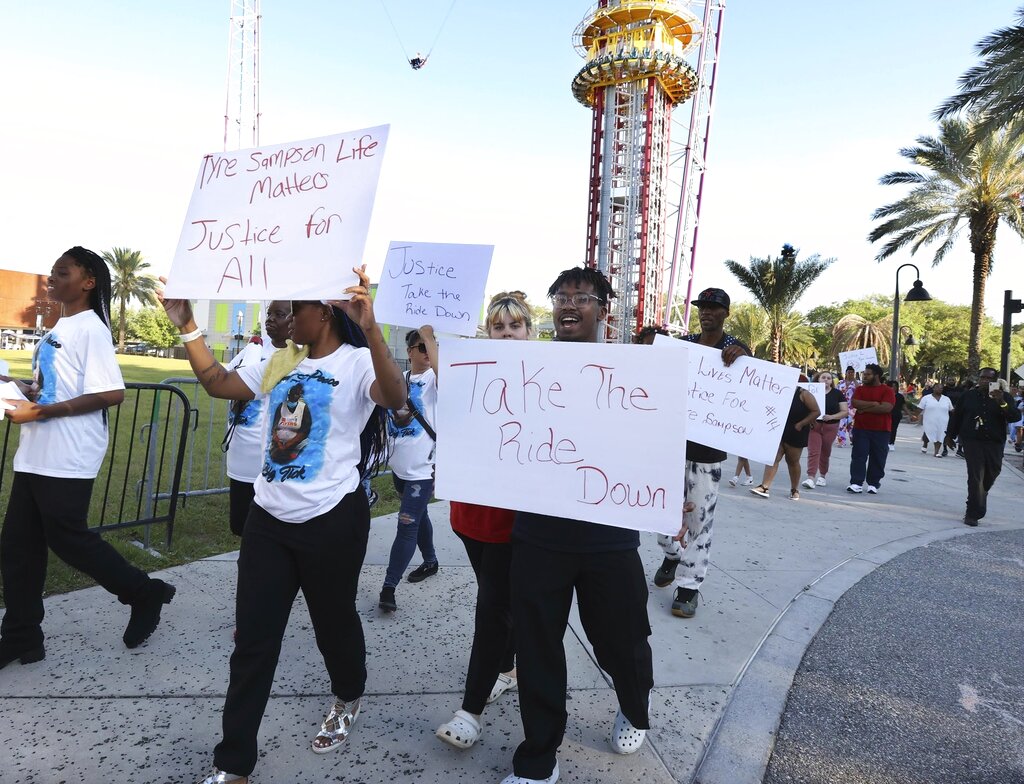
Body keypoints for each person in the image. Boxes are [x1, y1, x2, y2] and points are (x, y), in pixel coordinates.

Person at [160, 269, 407, 784]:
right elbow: (217, 384)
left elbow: (393, 395)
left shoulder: (358, 361)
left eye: (295, 308)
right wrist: (186, 324)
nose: (286, 318)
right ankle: (233, 765)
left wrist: (374, 326)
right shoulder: (283, 359)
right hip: (268, 517)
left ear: (325, 312)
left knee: (333, 622)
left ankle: (348, 694)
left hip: (332, 519)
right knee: (253, 641)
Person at [503, 267, 657, 784]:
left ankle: (635, 706)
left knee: (623, 639)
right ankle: (539, 756)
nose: (569, 305)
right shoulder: (525, 364)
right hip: (538, 536)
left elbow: (675, 426)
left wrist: (725, 362)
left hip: (607, 537)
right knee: (537, 644)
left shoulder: (634, 368)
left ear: (602, 312)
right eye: (561, 297)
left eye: (582, 298)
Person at [0, 247, 175, 671]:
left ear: (89, 281)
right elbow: (58, 386)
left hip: (68, 454)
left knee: (68, 539)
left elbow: (111, 393)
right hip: (36, 453)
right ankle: (23, 636)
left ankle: (142, 592)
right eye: (52, 273)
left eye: (62, 273)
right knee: (17, 547)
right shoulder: (60, 327)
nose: (52, 279)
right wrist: (24, 386)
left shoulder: (91, 328)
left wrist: (39, 410)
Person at [435, 292, 530, 750]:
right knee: (499, 600)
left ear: (529, 331)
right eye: (498, 327)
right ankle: (508, 668)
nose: (506, 334)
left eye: (515, 326)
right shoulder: (468, 371)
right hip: (470, 515)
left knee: (492, 607)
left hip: (517, 520)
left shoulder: (548, 375)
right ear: (487, 331)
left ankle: (470, 710)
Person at [653, 287, 750, 619]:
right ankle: (671, 553)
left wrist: (742, 359)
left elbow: (750, 387)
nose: (706, 312)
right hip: (670, 445)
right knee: (659, 512)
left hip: (706, 453)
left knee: (699, 520)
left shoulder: (735, 349)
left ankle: (689, 587)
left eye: (713, 308)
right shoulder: (685, 346)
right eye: (702, 307)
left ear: (726, 313)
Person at [378, 326, 439, 613]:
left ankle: (389, 587)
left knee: (407, 525)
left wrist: (428, 336)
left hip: (422, 470)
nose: (427, 352)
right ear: (409, 352)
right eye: (421, 347)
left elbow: (446, 376)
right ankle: (431, 561)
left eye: (430, 347)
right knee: (420, 515)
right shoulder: (401, 379)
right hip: (400, 468)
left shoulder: (434, 379)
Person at [223, 301, 291, 537]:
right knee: (239, 526)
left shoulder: (295, 358)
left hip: (267, 459)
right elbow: (224, 381)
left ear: (294, 320)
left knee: (263, 530)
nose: (270, 319)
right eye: (269, 313)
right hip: (240, 453)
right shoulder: (253, 349)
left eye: (279, 314)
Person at [945, 368, 1021, 526]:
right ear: (978, 379)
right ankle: (972, 513)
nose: (985, 381)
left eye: (989, 378)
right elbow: (957, 416)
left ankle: (980, 494)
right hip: (972, 441)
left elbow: (1015, 416)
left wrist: (1002, 403)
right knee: (975, 476)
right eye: (982, 377)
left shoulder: (1004, 396)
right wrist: (949, 435)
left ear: (995, 380)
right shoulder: (968, 396)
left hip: (995, 442)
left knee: (993, 471)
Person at [750, 382, 820, 500]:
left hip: (797, 430)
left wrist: (802, 424)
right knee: (774, 457)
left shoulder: (803, 394)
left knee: (792, 461)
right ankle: (765, 486)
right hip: (778, 429)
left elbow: (816, 412)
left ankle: (794, 489)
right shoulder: (776, 391)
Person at [846, 363, 895, 494]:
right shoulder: (860, 389)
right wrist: (874, 404)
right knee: (858, 456)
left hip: (882, 430)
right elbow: (854, 403)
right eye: (864, 374)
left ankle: (873, 483)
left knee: (878, 457)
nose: (864, 376)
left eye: (868, 374)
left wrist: (864, 408)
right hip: (861, 429)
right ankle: (856, 482)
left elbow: (886, 408)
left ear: (876, 376)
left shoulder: (887, 390)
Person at [802, 370, 847, 488]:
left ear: (832, 381)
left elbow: (844, 411)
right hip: (814, 425)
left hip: (830, 426)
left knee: (825, 452)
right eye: (823, 378)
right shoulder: (810, 392)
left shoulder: (837, 394)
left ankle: (822, 475)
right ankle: (811, 477)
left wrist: (832, 416)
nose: (826, 380)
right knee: (813, 451)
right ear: (818, 379)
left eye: (829, 378)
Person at [917, 381, 954, 457]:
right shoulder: (926, 398)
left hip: (943, 421)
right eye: (938, 388)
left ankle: (936, 452)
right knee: (928, 434)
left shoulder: (946, 399)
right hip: (929, 421)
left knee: (940, 435)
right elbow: (920, 409)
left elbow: (952, 409)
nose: (940, 389)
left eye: (941, 388)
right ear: (933, 388)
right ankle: (925, 443)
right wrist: (914, 416)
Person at [836, 366, 858, 447]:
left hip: (852, 408)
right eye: (849, 372)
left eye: (852, 372)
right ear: (846, 373)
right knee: (841, 425)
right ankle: (841, 441)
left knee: (852, 425)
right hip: (841, 407)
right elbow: (836, 393)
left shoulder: (856, 383)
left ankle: (854, 440)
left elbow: (859, 390)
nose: (850, 374)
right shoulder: (840, 383)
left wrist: (854, 380)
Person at [887, 380, 907, 451]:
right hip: (887, 414)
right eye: (892, 386)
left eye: (895, 386)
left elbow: (904, 406)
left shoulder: (900, 396)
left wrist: (910, 414)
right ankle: (886, 441)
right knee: (887, 428)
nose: (893, 388)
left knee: (894, 429)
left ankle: (891, 443)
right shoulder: (886, 395)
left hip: (896, 415)